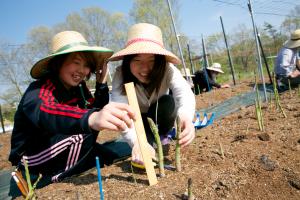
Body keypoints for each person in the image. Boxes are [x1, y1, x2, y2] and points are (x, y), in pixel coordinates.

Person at [8, 31, 136, 183]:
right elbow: (47, 112)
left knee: (109, 156)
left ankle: (78, 163)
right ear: (59, 62)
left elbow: (94, 110)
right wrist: (91, 117)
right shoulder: (39, 89)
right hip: (31, 157)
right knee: (84, 133)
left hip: (60, 147)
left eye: (87, 65)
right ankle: (57, 177)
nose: (82, 70)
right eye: (76, 62)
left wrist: (101, 85)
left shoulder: (79, 88)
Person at [109, 23, 196, 164]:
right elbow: (122, 112)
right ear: (128, 61)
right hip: (137, 120)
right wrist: (136, 142)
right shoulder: (120, 74)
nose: (145, 68)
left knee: (168, 102)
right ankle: (148, 140)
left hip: (160, 114)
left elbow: (184, 93)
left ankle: (162, 134)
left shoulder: (169, 70)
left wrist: (186, 117)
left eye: (152, 60)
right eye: (137, 60)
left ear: (160, 61)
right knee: (146, 149)